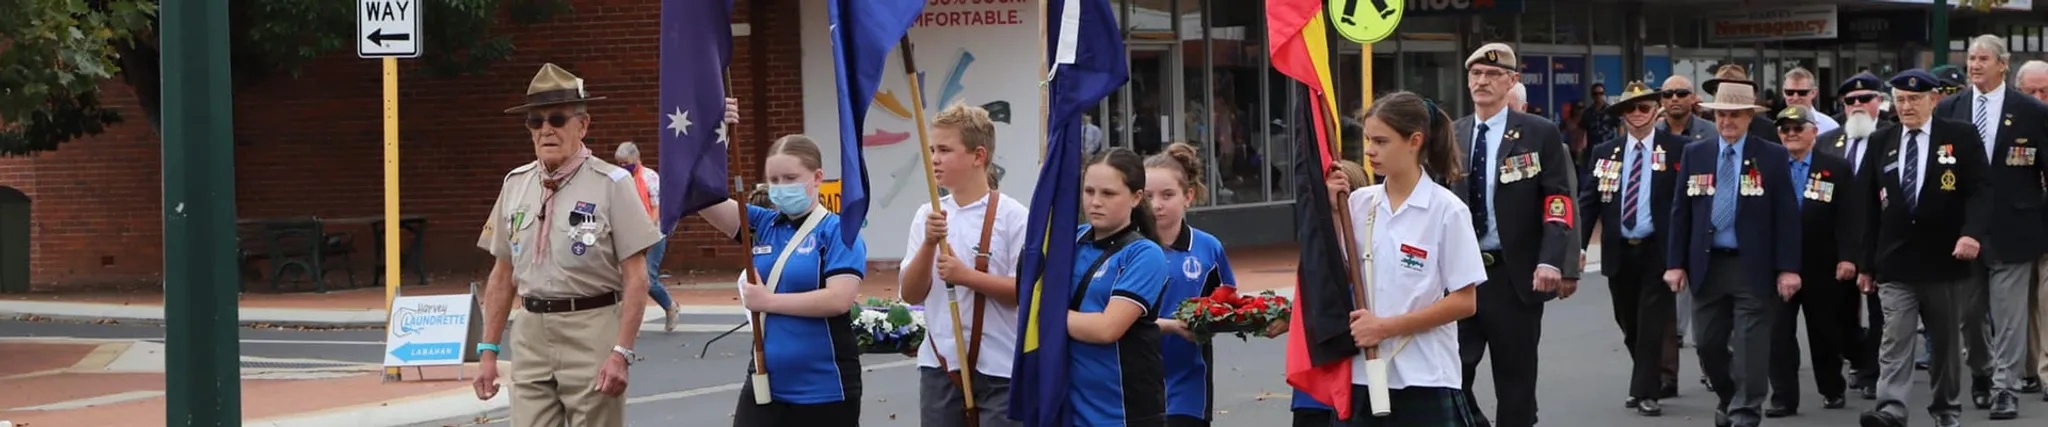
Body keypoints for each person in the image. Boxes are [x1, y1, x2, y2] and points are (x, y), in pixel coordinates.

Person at [470, 63, 667, 427]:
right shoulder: (516, 184)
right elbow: (501, 275)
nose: (546, 129)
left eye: (557, 119)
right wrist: (488, 350)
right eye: (535, 121)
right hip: (530, 332)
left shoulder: (612, 184)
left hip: (592, 328)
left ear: (583, 125)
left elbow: (637, 278)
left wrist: (622, 352)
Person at [1321, 91, 1483, 426]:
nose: (1369, 151)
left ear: (1415, 141)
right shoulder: (1359, 203)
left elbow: (1464, 302)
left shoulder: (1446, 210)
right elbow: (1345, 276)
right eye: (1367, 139)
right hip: (1364, 374)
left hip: (1425, 376)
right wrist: (1334, 213)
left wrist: (1384, 327)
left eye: (1381, 141)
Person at [1850, 69, 1991, 427]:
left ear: (1933, 99)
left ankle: (1945, 408)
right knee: (1895, 337)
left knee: (1943, 344)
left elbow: (1981, 191)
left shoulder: (1959, 135)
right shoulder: (1882, 141)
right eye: (1899, 99)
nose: (1906, 106)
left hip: (1945, 260)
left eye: (1914, 99)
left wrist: (1971, 233)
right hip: (1895, 262)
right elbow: (1867, 206)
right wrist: (1865, 264)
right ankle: (1892, 407)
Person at [696, 135, 869, 427]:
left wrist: (768, 302)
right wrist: (719, 136)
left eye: (790, 178)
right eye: (773, 179)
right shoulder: (763, 223)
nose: (781, 186)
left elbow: (839, 298)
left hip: (824, 388)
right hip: (765, 381)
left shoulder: (838, 230)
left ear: (817, 178)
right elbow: (697, 196)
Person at [1452, 43, 1583, 427]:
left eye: (1493, 75)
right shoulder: (1453, 133)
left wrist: (1551, 259)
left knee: (1515, 382)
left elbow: (1558, 200)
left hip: (1514, 275)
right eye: (1476, 74)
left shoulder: (1537, 133)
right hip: (1461, 274)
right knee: (1452, 373)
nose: (1482, 81)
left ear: (1511, 81)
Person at [1663, 77, 1802, 427]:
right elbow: (1681, 213)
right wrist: (1675, 264)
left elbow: (1787, 215)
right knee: (1708, 346)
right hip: (1707, 265)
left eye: (1736, 115)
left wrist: (1788, 268)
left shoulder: (1770, 156)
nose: (1727, 122)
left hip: (1751, 265)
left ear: (1749, 117)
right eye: (1722, 115)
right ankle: (1730, 397)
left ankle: (1745, 413)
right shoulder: (1696, 153)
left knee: (1750, 348)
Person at [1935, 35, 2048, 419]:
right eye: (1971, 58)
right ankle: (1981, 374)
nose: (1975, 65)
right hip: (1964, 230)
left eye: (1983, 58)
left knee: (2010, 315)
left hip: (2014, 227)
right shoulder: (1950, 109)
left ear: (2004, 64)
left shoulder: (2031, 111)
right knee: (1969, 314)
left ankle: (2006, 388)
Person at [900, 104, 1030, 427]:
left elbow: (1023, 292)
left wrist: (966, 276)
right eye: (932, 150)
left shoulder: (1014, 217)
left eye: (945, 150)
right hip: (940, 367)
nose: (935, 159)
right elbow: (911, 293)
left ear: (978, 156)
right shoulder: (926, 215)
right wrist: (929, 244)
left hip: (998, 371)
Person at [1578, 81, 1688, 416]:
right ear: (1621, 116)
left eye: (1643, 107)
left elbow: (1688, 204)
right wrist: (1578, 248)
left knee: (1652, 322)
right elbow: (1589, 203)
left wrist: (1682, 255)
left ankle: (1644, 390)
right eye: (1630, 109)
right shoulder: (1605, 153)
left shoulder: (1679, 149)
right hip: (1619, 249)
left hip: (1658, 249)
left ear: (1656, 111)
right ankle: (1646, 378)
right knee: (1628, 322)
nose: (1637, 115)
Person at [1762, 105, 1859, 418]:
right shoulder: (1767, 166)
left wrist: (1847, 258)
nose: (1791, 134)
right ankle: (1783, 397)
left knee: (1825, 332)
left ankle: (1832, 388)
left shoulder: (1836, 167)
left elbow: (1849, 218)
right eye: (1785, 129)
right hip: (1778, 264)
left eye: (1798, 128)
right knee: (1778, 334)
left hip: (1823, 264)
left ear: (1814, 132)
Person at [1067, 147, 1170, 426]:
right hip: (1070, 408)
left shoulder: (1144, 254)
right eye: (1089, 192)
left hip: (1124, 413)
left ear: (1136, 197)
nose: (1095, 202)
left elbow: (1107, 328)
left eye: (1108, 194)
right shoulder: (1070, 241)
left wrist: (1043, 315)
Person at [1141, 142, 1241, 427]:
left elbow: (1227, 303)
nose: (1156, 204)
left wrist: (1260, 317)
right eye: (1148, 196)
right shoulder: (1126, 248)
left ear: (1189, 196)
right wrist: (1170, 325)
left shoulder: (1208, 248)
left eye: (1167, 195)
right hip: (1133, 377)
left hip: (1189, 382)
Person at [1816, 72, 1896, 401]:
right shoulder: (1827, 141)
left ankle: (1871, 372)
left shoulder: (1894, 137)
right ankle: (1858, 356)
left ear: (1880, 101)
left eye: (1866, 98)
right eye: (1851, 101)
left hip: (1880, 238)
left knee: (1881, 311)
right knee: (1840, 313)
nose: (1858, 105)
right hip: (1837, 242)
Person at [1292, 159, 1369, 427]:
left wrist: (1337, 213)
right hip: (1315, 388)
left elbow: (1347, 273)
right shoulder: (1315, 250)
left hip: (1355, 382)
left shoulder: (1371, 245)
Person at [613, 141, 682, 332]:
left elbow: (657, 207)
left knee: (648, 279)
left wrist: (646, 229)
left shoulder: (650, 177)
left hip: (653, 233)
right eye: (619, 163)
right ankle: (625, 323)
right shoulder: (619, 179)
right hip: (628, 235)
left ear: (636, 159)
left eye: (626, 162)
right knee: (625, 278)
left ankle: (670, 306)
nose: (623, 166)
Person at [2021, 59, 2048, 399]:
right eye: (2032, 92)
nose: (2040, 98)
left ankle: (2045, 371)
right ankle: (2029, 369)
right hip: (2021, 225)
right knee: (2023, 302)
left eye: (2046, 91)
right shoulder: (2014, 124)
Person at [1702, 64, 1781, 144]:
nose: (1726, 92)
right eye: (1719, 89)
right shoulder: (1704, 125)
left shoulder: (1766, 128)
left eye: (1733, 87)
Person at [1779, 68, 1841, 135]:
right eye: (1789, 92)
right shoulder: (1775, 127)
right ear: (1783, 92)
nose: (1795, 98)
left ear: (1814, 93)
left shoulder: (1830, 126)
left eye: (1802, 93)